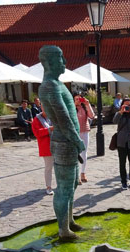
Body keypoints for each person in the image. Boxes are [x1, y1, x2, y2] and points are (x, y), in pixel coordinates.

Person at [38, 45, 86, 240]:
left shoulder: (57, 84)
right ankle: (63, 229)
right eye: (60, 58)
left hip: (69, 142)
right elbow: (63, 118)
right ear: (48, 62)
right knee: (64, 187)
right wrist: (77, 141)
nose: (65, 62)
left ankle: (69, 220)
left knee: (73, 183)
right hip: (64, 142)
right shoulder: (49, 86)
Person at [113, 97, 130, 190]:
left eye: (129, 105)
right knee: (122, 163)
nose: (128, 107)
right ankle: (123, 182)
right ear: (122, 106)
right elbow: (114, 121)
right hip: (121, 141)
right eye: (126, 105)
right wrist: (121, 112)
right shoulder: (120, 114)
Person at [32, 104, 54, 195]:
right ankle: (48, 186)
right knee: (48, 167)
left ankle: (61, 185)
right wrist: (50, 129)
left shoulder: (53, 117)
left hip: (57, 145)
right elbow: (37, 133)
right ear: (42, 107)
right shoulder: (36, 120)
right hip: (46, 147)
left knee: (60, 167)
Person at [73, 92, 95, 184]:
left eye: (79, 98)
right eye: (76, 99)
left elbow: (92, 116)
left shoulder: (85, 107)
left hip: (85, 131)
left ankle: (83, 173)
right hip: (75, 132)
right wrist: (74, 105)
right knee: (75, 154)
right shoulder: (71, 107)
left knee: (84, 153)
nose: (78, 100)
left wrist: (87, 104)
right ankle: (76, 175)